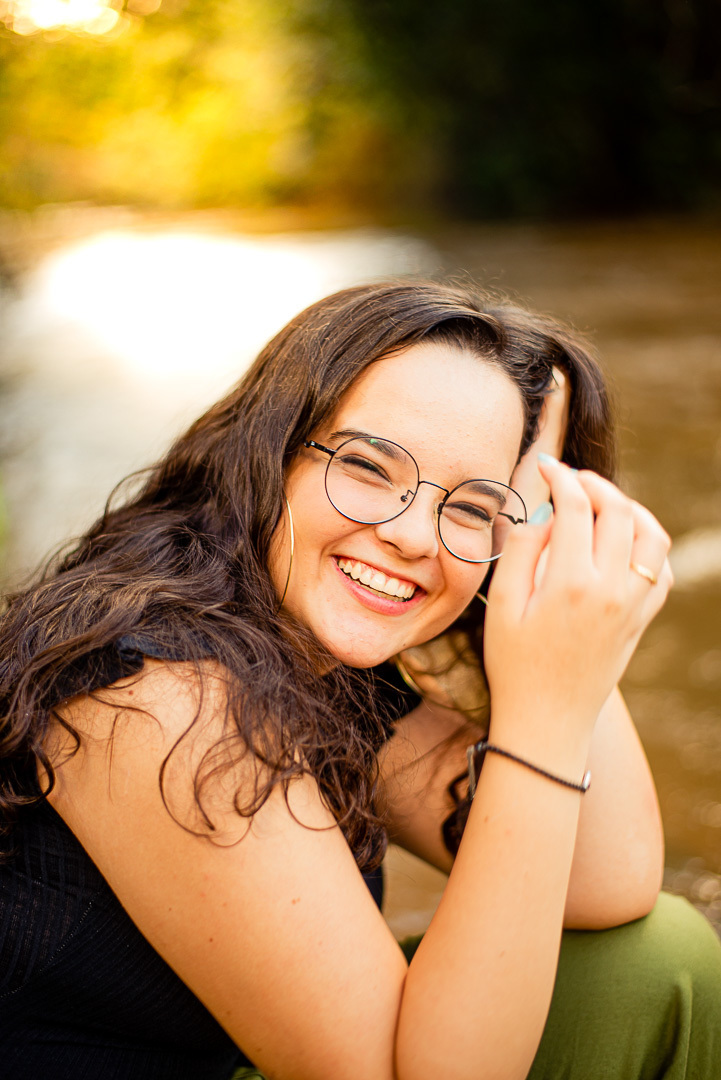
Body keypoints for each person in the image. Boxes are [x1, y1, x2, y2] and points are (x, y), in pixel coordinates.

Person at [0, 281, 719, 1080]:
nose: (413, 535)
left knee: (659, 965)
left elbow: (607, 880)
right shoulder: (155, 692)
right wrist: (543, 712)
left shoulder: (321, 659)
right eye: (369, 468)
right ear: (268, 455)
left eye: (475, 507)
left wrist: (546, 579)